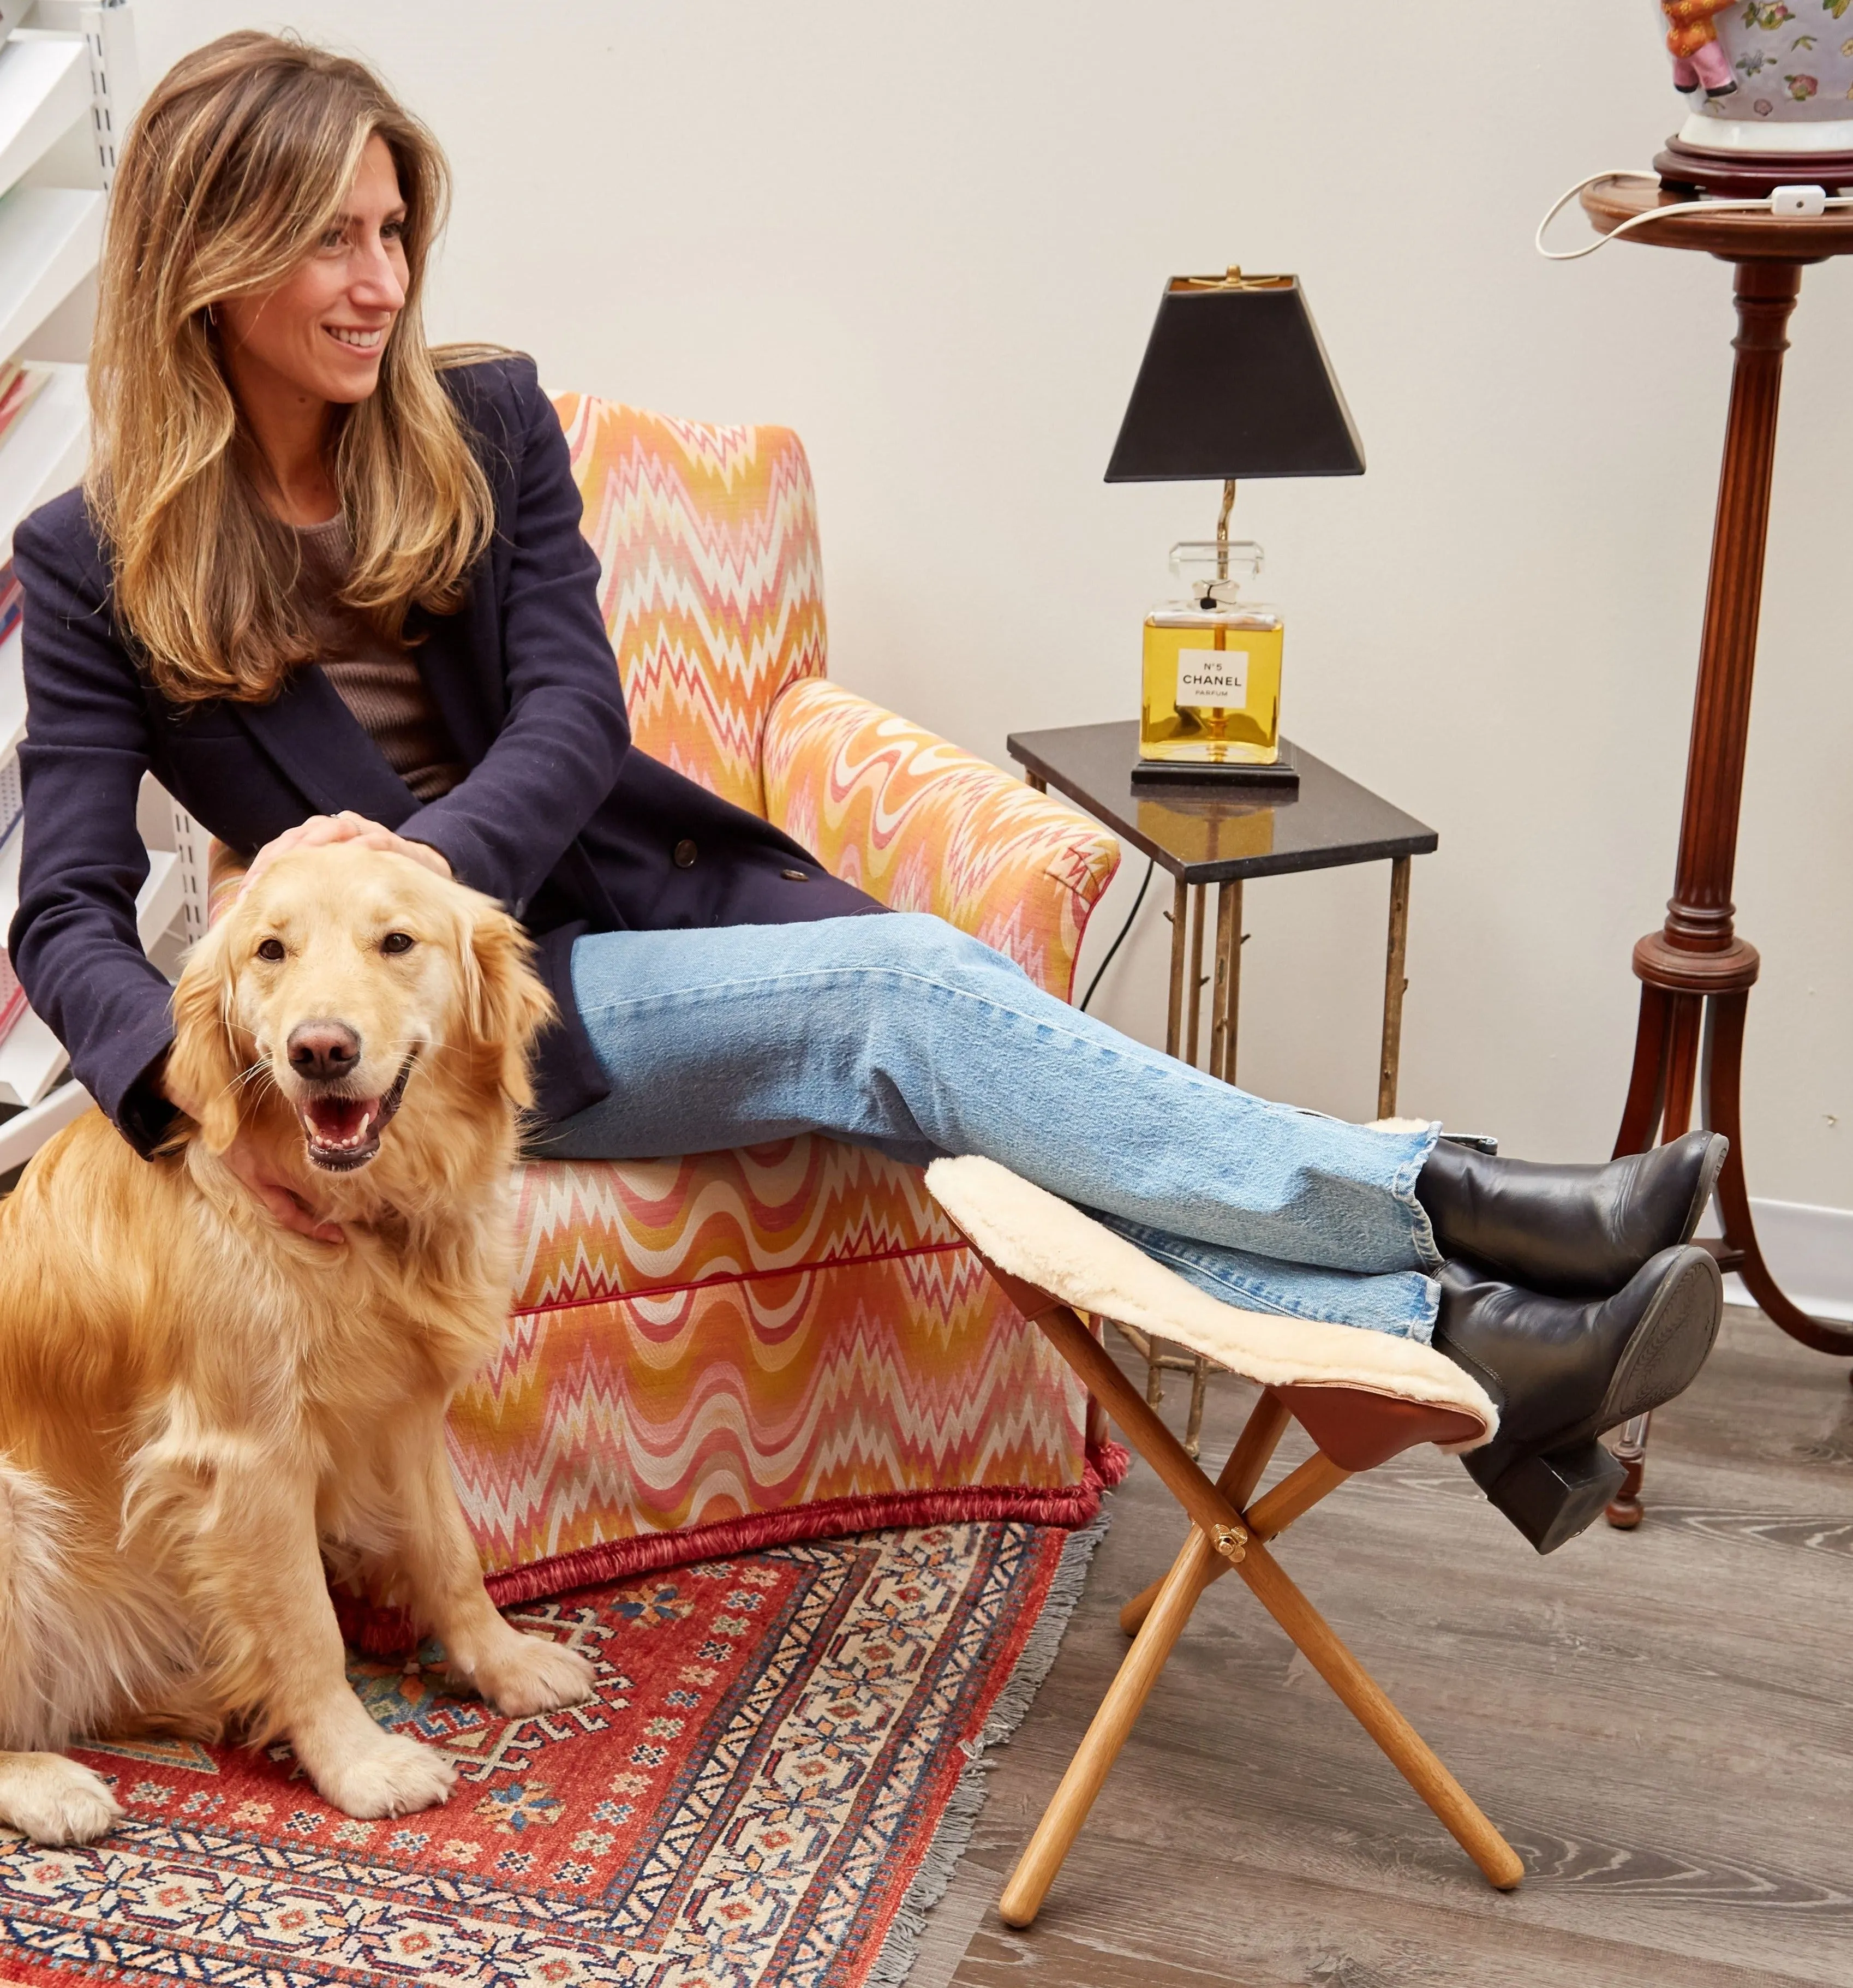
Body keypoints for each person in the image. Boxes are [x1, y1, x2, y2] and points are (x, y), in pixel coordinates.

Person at [9, 32, 1725, 1555]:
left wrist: (412, 888)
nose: (379, 278)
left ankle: (1456, 1336)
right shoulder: (92, 564)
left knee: (936, 1049)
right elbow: (64, 906)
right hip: (455, 1044)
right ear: (210, 261)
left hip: (602, 912)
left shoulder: (482, 422)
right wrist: (189, 1088)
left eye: (392, 231)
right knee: (909, 991)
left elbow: (571, 713)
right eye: (329, 236)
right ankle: (1448, 1211)